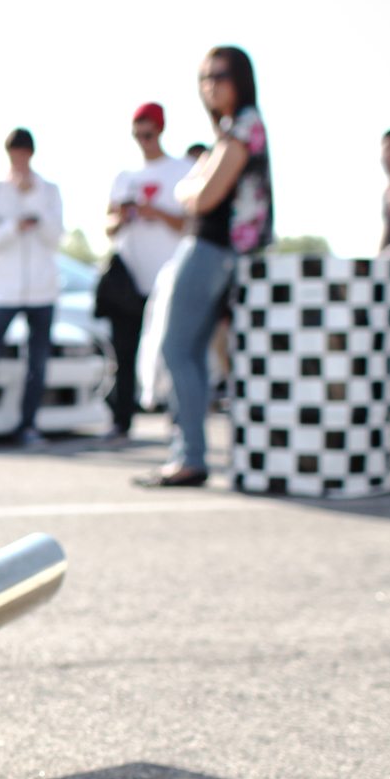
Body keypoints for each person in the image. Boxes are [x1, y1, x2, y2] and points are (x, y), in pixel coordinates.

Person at [134, 46, 273, 487]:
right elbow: (194, 187)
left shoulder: (244, 125)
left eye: (220, 75)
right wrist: (192, 185)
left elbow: (202, 195)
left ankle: (190, 456)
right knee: (190, 353)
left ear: (241, 78)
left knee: (177, 350)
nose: (211, 85)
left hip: (212, 248)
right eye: (204, 78)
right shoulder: (231, 129)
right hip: (217, 249)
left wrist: (189, 188)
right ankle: (188, 453)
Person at [0, 127, 66, 447]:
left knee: (37, 364)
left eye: (23, 154)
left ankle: (27, 427)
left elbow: (57, 237)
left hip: (42, 292)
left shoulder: (49, 191)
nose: (18, 160)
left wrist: (34, 207)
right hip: (2, 293)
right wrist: (12, 227)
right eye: (13, 154)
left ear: (31, 154)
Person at [97, 102, 190, 440]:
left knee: (173, 353)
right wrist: (122, 217)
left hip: (169, 278)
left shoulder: (182, 170)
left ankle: (179, 422)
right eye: (138, 135)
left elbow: (190, 224)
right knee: (124, 354)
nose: (143, 141)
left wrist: (156, 212)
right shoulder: (124, 177)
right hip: (128, 282)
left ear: (160, 130)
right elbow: (108, 227)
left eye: (148, 134)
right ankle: (121, 420)